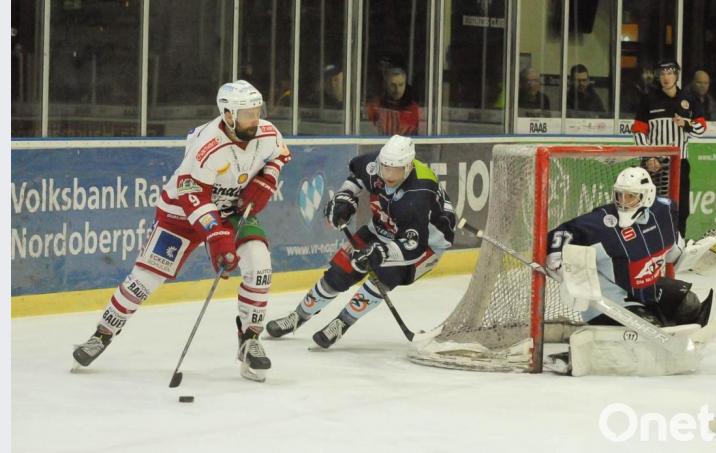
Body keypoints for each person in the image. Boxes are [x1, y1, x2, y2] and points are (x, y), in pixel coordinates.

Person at [72, 80, 291, 383]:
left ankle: (250, 341)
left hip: (232, 211)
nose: (255, 119)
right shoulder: (208, 145)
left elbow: (278, 155)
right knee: (143, 281)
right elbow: (193, 195)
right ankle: (102, 334)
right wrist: (216, 237)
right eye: (247, 114)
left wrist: (266, 180)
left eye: (257, 111)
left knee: (260, 263)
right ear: (228, 114)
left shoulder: (267, 132)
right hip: (181, 214)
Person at [264, 135, 456, 348]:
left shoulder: (418, 194)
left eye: (396, 170)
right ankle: (297, 317)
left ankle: (342, 323)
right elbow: (356, 178)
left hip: (426, 245)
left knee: (386, 273)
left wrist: (380, 253)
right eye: (386, 168)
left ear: (409, 167)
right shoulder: (377, 164)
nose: (389, 175)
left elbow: (413, 246)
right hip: (383, 227)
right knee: (340, 270)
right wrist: (345, 198)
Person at [545, 167, 716, 376]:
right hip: (612, 299)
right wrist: (556, 259)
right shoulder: (604, 221)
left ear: (647, 197)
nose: (623, 202)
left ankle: (674, 338)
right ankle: (587, 356)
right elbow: (562, 232)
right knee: (645, 331)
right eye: (620, 195)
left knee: (689, 304)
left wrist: (692, 253)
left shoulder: (665, 212)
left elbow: (673, 253)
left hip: (647, 288)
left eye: (631, 196)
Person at [631, 60, 706, 237]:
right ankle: (651, 245)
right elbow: (638, 130)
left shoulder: (689, 99)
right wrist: (649, 157)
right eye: (662, 73)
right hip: (654, 163)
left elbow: (701, 129)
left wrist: (686, 124)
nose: (666, 77)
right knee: (651, 206)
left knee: (682, 208)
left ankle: (677, 244)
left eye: (670, 73)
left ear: (676, 76)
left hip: (680, 163)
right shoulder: (649, 99)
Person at [366, 67, 421, 135]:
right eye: (393, 85)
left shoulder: (412, 108)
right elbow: (368, 131)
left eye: (401, 85)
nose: (397, 90)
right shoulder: (375, 106)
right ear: (386, 85)